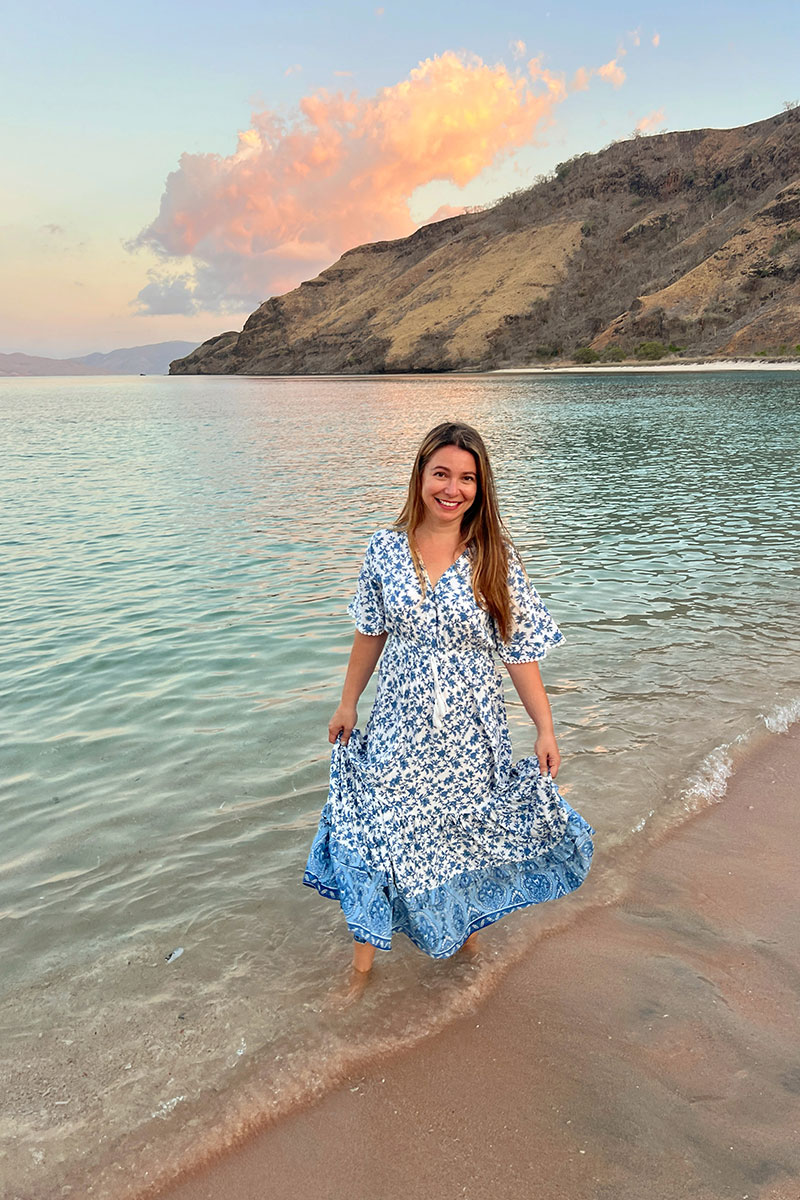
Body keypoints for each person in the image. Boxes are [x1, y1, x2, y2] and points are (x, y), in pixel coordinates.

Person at [303, 422, 593, 973]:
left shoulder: (494, 557)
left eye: (466, 478)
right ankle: (362, 969)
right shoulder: (384, 550)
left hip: (471, 733)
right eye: (441, 473)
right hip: (398, 727)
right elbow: (370, 633)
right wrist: (348, 703)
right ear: (420, 476)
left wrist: (545, 728)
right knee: (380, 836)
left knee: (460, 839)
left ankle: (467, 949)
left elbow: (519, 651)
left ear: (480, 489)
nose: (451, 488)